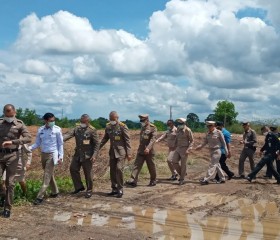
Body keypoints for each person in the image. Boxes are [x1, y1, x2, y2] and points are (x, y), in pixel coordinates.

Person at [0, 104, 31, 218]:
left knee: (10, 183)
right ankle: (3, 195)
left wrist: (13, 142)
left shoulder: (19, 124)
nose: (9, 117)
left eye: (11, 115)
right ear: (4, 113)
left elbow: (28, 138)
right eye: (6, 115)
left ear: (15, 113)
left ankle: (7, 208)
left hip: (13, 155)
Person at [30, 113, 63, 205]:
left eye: (53, 120)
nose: (52, 122)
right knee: (49, 174)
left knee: (46, 175)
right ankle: (55, 192)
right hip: (43, 154)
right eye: (50, 121)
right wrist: (29, 148)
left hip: (52, 155)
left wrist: (61, 156)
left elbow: (60, 144)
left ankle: (39, 197)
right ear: (45, 121)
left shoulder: (57, 129)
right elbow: (37, 143)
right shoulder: (41, 130)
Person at [63, 114, 99, 198]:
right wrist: (60, 139)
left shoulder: (92, 130)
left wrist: (94, 155)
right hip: (78, 154)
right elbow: (68, 134)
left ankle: (89, 190)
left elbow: (97, 144)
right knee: (73, 169)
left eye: (83, 121)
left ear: (88, 121)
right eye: (81, 121)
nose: (82, 123)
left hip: (87, 155)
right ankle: (79, 187)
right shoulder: (77, 128)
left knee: (88, 173)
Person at [99, 111, 132, 198]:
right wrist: (97, 148)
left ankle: (120, 189)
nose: (111, 120)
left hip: (121, 152)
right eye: (110, 119)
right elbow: (105, 138)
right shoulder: (108, 126)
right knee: (112, 170)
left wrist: (129, 153)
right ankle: (114, 188)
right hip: (112, 152)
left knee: (119, 168)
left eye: (113, 119)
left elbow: (127, 140)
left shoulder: (122, 126)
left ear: (117, 118)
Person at [126, 114, 157, 187]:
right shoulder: (142, 127)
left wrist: (148, 148)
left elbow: (153, 140)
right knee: (136, 165)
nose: (141, 122)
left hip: (149, 151)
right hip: (141, 150)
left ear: (147, 120)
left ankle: (153, 180)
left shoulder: (153, 128)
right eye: (141, 120)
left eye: (143, 120)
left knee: (151, 166)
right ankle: (133, 180)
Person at [172, 118, 194, 185]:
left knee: (183, 164)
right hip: (178, 148)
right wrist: (174, 145)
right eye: (179, 124)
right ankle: (183, 173)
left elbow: (192, 141)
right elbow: (176, 138)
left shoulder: (188, 130)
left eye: (181, 124)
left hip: (185, 149)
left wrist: (189, 149)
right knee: (174, 161)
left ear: (184, 124)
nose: (179, 125)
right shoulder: (178, 129)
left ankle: (182, 179)